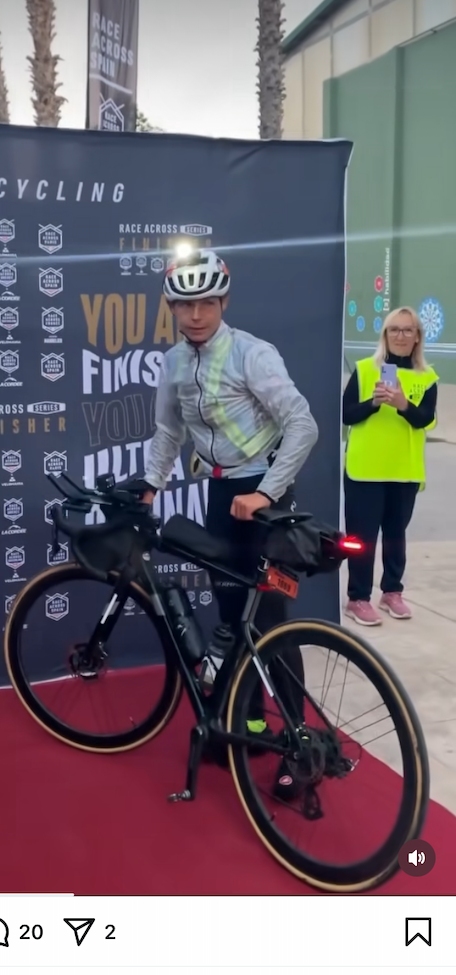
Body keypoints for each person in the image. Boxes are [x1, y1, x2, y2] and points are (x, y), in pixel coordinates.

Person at [141, 247, 319, 791]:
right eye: (185, 305)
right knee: (230, 614)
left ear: (223, 302)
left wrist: (265, 492)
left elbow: (303, 424)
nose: (196, 315)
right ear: (172, 307)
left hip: (267, 497)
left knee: (270, 621)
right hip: (220, 495)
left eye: (207, 303)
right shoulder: (174, 363)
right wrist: (150, 486)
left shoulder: (252, 354)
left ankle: (301, 747)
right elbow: (169, 432)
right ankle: (251, 724)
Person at [343, 305, 438, 625]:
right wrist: (373, 403)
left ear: (417, 337)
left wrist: (402, 404)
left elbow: (425, 419)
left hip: (404, 470)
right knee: (362, 539)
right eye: (394, 329)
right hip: (365, 471)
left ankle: (392, 592)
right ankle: (358, 598)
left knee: (396, 536)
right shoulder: (364, 369)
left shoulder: (428, 377)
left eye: (408, 330)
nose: (400, 335)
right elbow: (345, 413)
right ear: (385, 335)